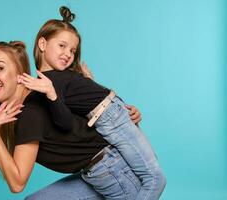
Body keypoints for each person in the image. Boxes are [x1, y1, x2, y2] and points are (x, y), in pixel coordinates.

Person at [18, 6, 166, 200]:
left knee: (152, 175)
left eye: (73, 50)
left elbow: (95, 102)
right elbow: (65, 121)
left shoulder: (60, 79)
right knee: (151, 177)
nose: (68, 54)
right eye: (62, 46)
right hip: (106, 122)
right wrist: (51, 94)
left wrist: (126, 110)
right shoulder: (47, 83)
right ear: (42, 43)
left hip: (112, 115)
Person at [0, 41, 144, 199]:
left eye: (0, 68)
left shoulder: (30, 113)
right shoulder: (37, 97)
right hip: (95, 173)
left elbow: (17, 184)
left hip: (118, 172)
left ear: (20, 75)